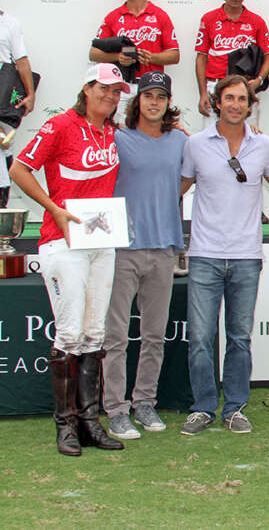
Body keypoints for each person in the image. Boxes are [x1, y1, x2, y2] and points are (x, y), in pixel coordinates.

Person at [9, 63, 130, 456]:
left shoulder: (110, 130)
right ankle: (65, 427)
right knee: (70, 334)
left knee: (95, 334)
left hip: (101, 241)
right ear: (88, 88)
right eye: (105, 89)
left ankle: (90, 422)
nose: (111, 97)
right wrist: (54, 209)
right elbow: (19, 169)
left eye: (116, 92)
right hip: (62, 243)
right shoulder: (60, 125)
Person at [179, 75, 269, 436]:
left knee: (239, 337)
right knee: (201, 338)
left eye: (242, 98)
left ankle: (235, 408)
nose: (236, 104)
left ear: (250, 104)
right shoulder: (195, 144)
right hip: (204, 254)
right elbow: (178, 189)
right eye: (229, 98)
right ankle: (204, 408)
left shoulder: (264, 145)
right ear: (217, 102)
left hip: (246, 257)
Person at [102, 71, 186, 440]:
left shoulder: (180, 140)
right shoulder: (118, 138)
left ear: (168, 103)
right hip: (123, 249)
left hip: (164, 248)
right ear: (138, 100)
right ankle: (116, 410)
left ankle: (145, 402)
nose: (155, 102)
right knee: (116, 336)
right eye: (149, 96)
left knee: (154, 334)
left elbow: (192, 174)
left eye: (161, 97)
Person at [88, 0, 179, 119]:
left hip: (151, 87)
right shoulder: (113, 16)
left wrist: (151, 57)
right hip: (121, 85)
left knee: (150, 131)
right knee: (119, 131)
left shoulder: (160, 16)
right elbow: (93, 53)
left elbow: (174, 55)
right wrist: (118, 57)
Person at [194, 0, 269, 129]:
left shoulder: (257, 21)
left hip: (244, 87)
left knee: (249, 137)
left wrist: (258, 81)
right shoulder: (209, 19)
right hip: (215, 85)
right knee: (211, 137)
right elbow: (201, 58)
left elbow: (268, 57)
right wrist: (203, 92)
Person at [0, 0, 37, 207]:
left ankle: (1, 211)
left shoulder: (9, 23)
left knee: (4, 146)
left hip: (3, 94)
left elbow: (21, 60)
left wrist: (30, 94)